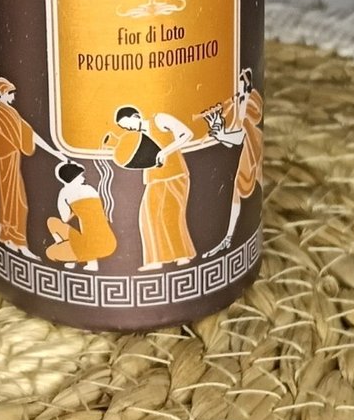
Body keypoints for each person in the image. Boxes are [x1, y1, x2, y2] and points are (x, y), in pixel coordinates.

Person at [103, 104, 196, 268]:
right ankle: (156, 260)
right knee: (148, 217)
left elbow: (187, 134)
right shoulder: (138, 137)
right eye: (125, 128)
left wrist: (165, 151)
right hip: (154, 179)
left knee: (172, 215)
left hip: (174, 174)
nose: (129, 129)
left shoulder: (159, 120)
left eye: (128, 125)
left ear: (136, 116)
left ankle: (183, 256)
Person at [206, 65, 263, 250]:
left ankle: (232, 237)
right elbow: (233, 141)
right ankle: (229, 237)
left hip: (252, 144)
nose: (236, 91)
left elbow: (242, 134)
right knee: (237, 190)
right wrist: (219, 130)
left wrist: (222, 134)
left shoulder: (251, 100)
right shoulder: (239, 103)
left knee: (247, 185)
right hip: (245, 148)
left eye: (239, 86)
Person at [0, 75, 41, 251]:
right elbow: (21, 135)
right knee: (14, 201)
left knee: (16, 201)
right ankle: (13, 238)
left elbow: (27, 132)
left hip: (12, 162)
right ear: (5, 93)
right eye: (12, 93)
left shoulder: (9, 111)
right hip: (6, 163)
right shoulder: (1, 112)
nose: (14, 97)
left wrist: (53, 152)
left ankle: (13, 239)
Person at [45, 158, 117, 270]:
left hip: (88, 244)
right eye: (80, 176)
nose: (83, 178)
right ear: (73, 178)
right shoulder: (90, 189)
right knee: (54, 223)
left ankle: (73, 255)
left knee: (50, 252)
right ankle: (85, 258)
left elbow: (65, 218)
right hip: (108, 242)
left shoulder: (65, 193)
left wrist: (74, 211)